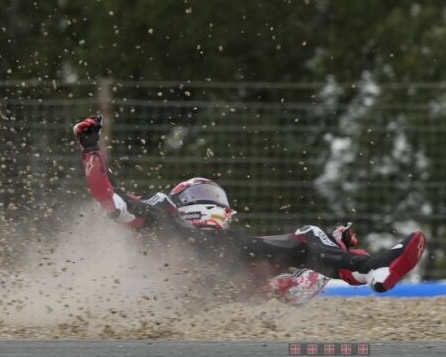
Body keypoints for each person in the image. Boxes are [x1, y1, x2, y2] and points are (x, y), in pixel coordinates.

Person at [72, 114, 427, 304]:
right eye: (199, 195)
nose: (210, 202)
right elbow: (111, 199)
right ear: (181, 203)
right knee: (304, 244)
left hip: (229, 282)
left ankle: (373, 270)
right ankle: (343, 269)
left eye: (215, 197)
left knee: (309, 238)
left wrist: (342, 246)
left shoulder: (237, 241)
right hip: (175, 283)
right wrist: (90, 147)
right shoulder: (159, 214)